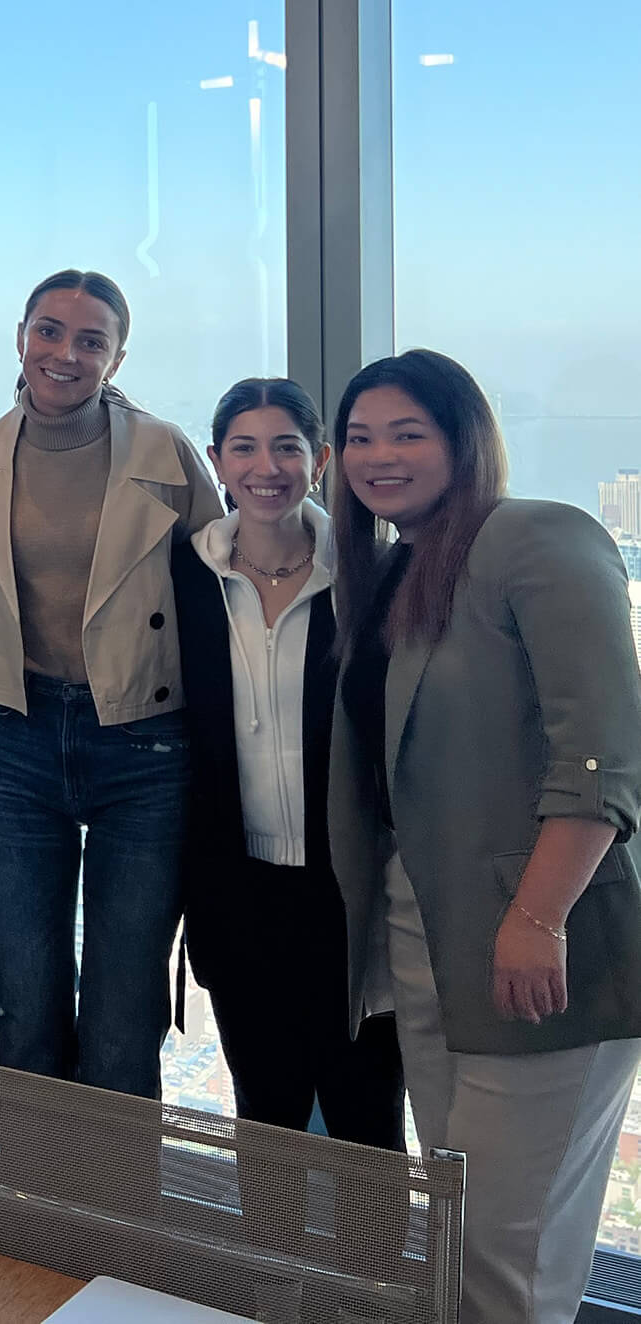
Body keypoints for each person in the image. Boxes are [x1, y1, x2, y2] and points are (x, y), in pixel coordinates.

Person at [328, 349, 641, 1324]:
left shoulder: (534, 536)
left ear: (464, 442)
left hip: (538, 950)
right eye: (359, 437)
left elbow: (601, 755)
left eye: (407, 432)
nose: (379, 456)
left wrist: (537, 916)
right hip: (426, 950)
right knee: (464, 1239)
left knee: (504, 1261)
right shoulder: (393, 573)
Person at [0, 268, 221, 1099]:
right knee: (22, 1004)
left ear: (117, 354)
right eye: (48, 331)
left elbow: (228, 580)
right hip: (15, 739)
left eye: (89, 339)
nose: (65, 353)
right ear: (21, 338)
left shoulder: (164, 452)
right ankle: (30, 1223)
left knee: (123, 1012)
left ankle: (114, 1223)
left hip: (143, 743)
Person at [170, 378, 403, 1147]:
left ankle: (368, 1270)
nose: (264, 466)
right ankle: (270, 1273)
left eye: (286, 446)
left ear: (320, 460)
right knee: (264, 1116)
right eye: (242, 446)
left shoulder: (373, 576)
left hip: (350, 894)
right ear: (215, 461)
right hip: (236, 893)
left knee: (363, 1113)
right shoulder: (185, 579)